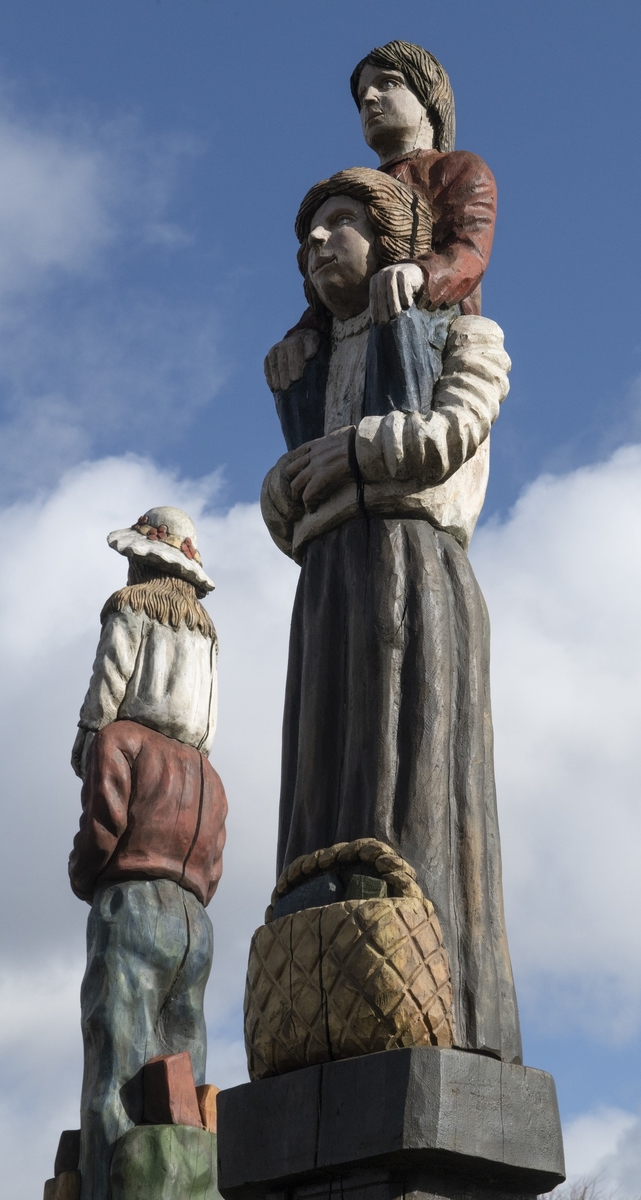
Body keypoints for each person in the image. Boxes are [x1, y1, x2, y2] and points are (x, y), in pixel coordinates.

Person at [261, 167, 522, 1066]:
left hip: (412, 576)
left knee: (409, 779)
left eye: (340, 223)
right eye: (308, 235)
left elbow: (447, 436)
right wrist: (296, 478)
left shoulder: (467, 334)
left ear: (392, 242)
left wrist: (345, 458)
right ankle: (322, 989)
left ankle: (437, 1006)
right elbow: (290, 500)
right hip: (327, 584)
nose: (317, 244)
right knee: (319, 786)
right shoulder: (321, 362)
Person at [69, 506, 227, 1200]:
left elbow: (104, 824)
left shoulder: (120, 743)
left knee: (117, 1066)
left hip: (131, 904)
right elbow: (215, 860)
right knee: (182, 1071)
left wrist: (85, 870)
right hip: (196, 921)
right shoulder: (208, 775)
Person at [264, 39, 497, 394]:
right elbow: (333, 282)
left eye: (387, 83)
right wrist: (305, 332)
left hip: (428, 331)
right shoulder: (350, 190)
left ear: (428, 97)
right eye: (362, 95)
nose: (369, 99)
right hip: (355, 340)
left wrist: (421, 272)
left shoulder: (457, 169)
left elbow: (468, 253)